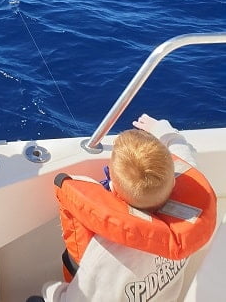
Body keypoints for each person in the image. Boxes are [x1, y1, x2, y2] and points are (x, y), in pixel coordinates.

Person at [27, 114, 216, 302]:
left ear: (113, 187)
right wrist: (163, 131)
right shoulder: (192, 216)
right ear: (174, 181)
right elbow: (184, 154)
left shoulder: (105, 255)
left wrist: (51, 292)